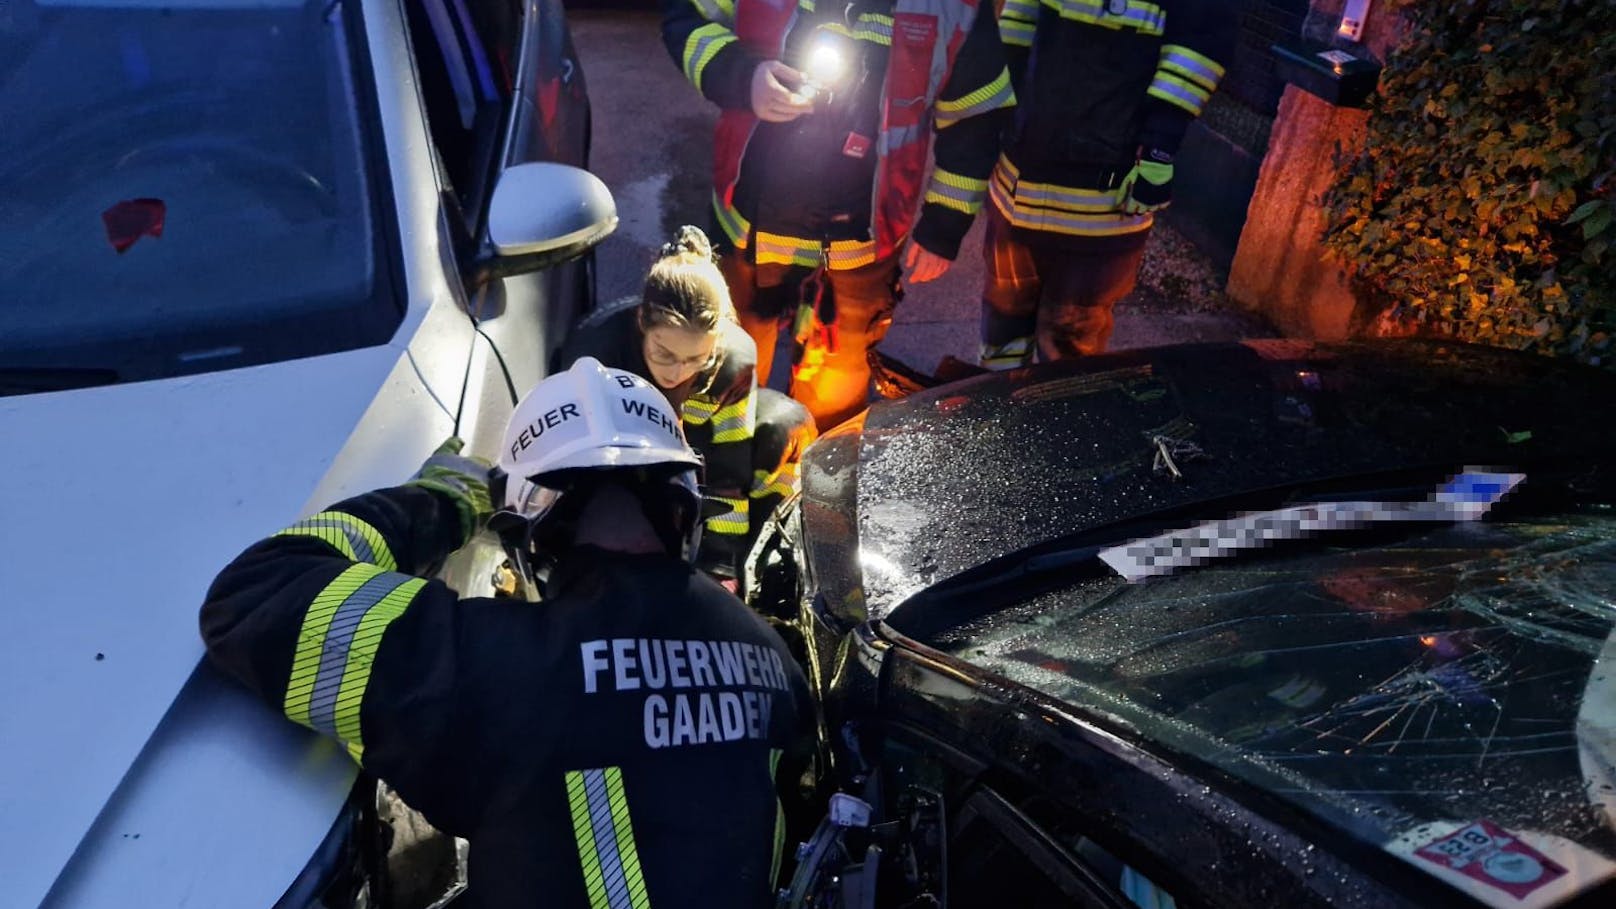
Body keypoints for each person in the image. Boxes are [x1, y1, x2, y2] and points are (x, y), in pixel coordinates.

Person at [199, 357, 814, 907]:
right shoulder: (771, 656)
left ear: (526, 533)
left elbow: (255, 595)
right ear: (684, 506)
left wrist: (443, 502)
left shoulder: (493, 668)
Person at [659, 0, 1015, 431]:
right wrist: (742, 77)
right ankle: (724, 489)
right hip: (750, 229)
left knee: (832, 415)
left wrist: (944, 223)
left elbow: (977, 113)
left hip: (861, 242)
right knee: (720, 383)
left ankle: (811, 488)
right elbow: (686, 14)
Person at [978, 0, 1236, 368]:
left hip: (1098, 205)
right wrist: (993, 114)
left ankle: (1058, 424)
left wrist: (1159, 150)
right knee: (1002, 327)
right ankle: (999, 415)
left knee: (1070, 342)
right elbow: (1017, 27)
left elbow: (1199, 50)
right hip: (1019, 185)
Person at [561, 225, 818, 584]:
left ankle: (757, 565)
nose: (678, 372)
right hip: (619, 460)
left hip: (696, 450)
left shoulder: (735, 358)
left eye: (697, 357)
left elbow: (730, 465)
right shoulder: (596, 354)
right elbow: (578, 465)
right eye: (664, 353)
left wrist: (721, 569)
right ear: (641, 323)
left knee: (787, 425)